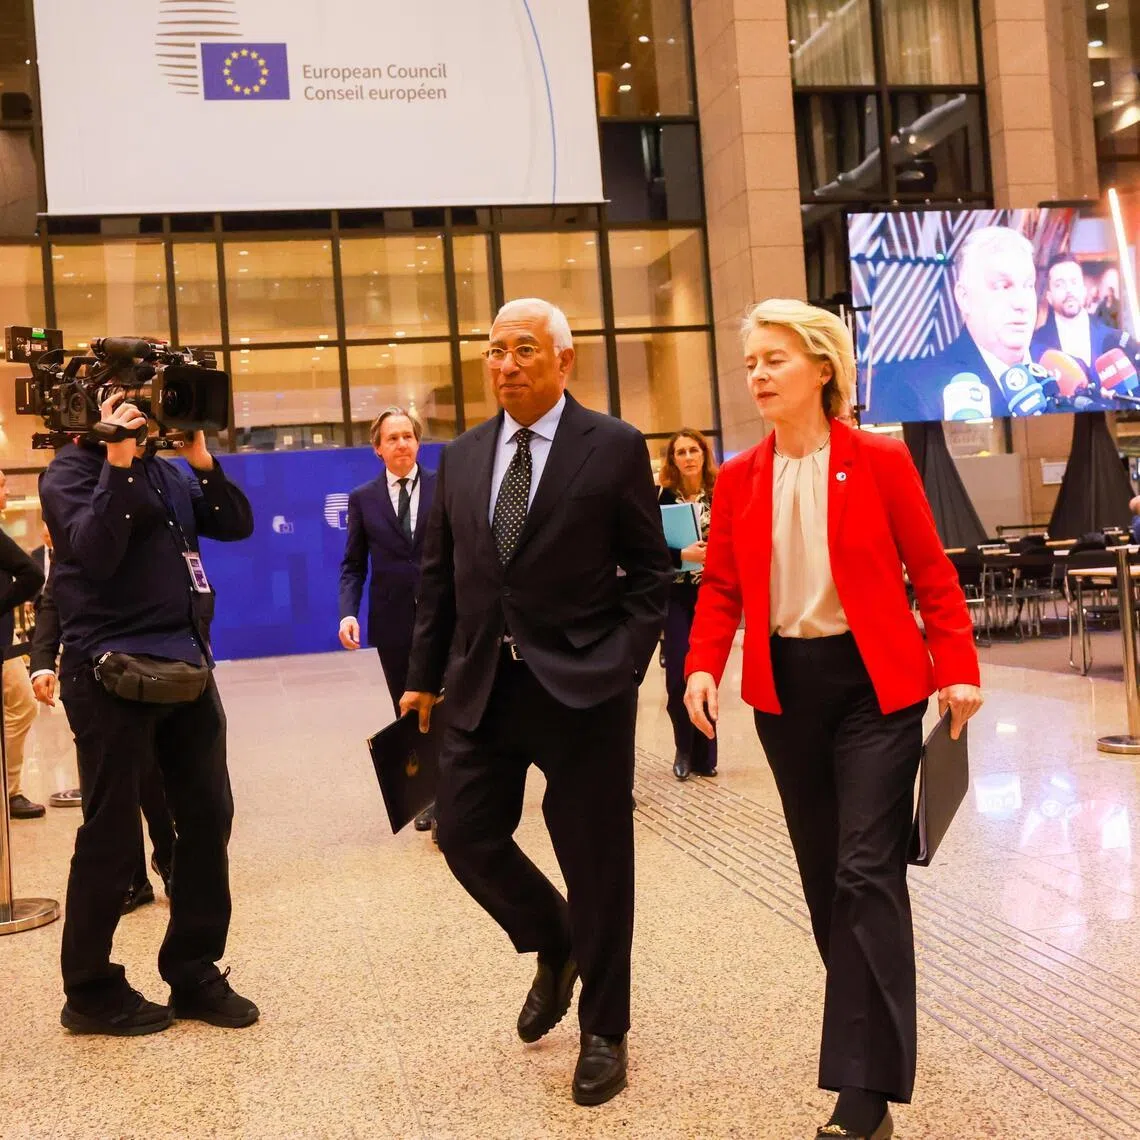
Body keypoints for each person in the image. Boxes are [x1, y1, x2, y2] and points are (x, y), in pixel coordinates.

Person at [684, 299, 983, 1140]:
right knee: (827, 887)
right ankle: (872, 1036)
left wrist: (956, 670)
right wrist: (704, 662)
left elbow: (931, 572)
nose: (758, 375)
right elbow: (724, 587)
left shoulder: (878, 461)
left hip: (874, 689)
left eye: (774, 359)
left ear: (823, 369)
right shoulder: (741, 475)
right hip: (789, 696)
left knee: (864, 874)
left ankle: (865, 1095)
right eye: (750, 363)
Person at [400, 297, 672, 1107]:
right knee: (467, 834)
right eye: (494, 351)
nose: (506, 364)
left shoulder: (614, 446)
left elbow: (650, 575)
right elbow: (440, 577)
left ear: (564, 360)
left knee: (596, 857)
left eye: (524, 349)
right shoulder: (464, 456)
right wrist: (423, 672)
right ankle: (555, 940)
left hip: (584, 684)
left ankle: (605, 1028)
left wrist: (623, 665)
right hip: (484, 681)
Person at [40, 396, 257, 1037]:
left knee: (207, 815)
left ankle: (192, 968)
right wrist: (115, 460)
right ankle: (89, 989)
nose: (141, 412)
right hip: (106, 672)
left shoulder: (167, 471)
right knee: (111, 833)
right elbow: (96, 552)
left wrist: (200, 458)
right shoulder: (69, 474)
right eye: (124, 401)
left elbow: (235, 523)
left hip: (184, 664)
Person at [29, 571, 174, 913]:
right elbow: (52, 603)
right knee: (104, 788)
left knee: (150, 773)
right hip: (87, 681)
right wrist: (42, 665)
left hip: (145, 668)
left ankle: (170, 862)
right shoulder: (75, 535)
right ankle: (131, 879)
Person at [338, 406, 437, 833]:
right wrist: (347, 611)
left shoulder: (443, 487)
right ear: (378, 449)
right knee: (408, 708)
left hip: (443, 617)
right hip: (393, 619)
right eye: (392, 438)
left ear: (418, 443)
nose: (402, 444)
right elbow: (353, 564)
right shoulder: (363, 498)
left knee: (449, 703)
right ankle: (426, 796)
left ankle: (453, 796)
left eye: (408, 436)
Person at [869, 226, 1038, 422]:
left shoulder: (1063, 373)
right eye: (1002, 286)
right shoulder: (914, 390)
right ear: (964, 298)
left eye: (1028, 285)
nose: (1021, 303)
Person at [656, 429, 718, 781]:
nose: (688, 457)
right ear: (673, 459)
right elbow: (649, 548)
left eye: (693, 450)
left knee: (706, 671)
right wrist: (682, 555)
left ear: (703, 454)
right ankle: (684, 748)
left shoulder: (721, 492)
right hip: (677, 595)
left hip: (713, 592)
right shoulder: (661, 498)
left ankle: (706, 754)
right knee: (678, 675)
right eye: (680, 452)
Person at [1, 467, 47, 819]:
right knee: (22, 706)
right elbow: (31, 574)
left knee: (22, 706)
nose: (6, 494)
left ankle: (10, 789)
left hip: (5, 642)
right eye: (0, 487)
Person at [1030, 254, 1131, 380]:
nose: (1069, 290)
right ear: (1049, 297)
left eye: (1073, 282)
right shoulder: (1036, 345)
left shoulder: (1111, 339)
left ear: (1084, 290)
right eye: (1059, 284)